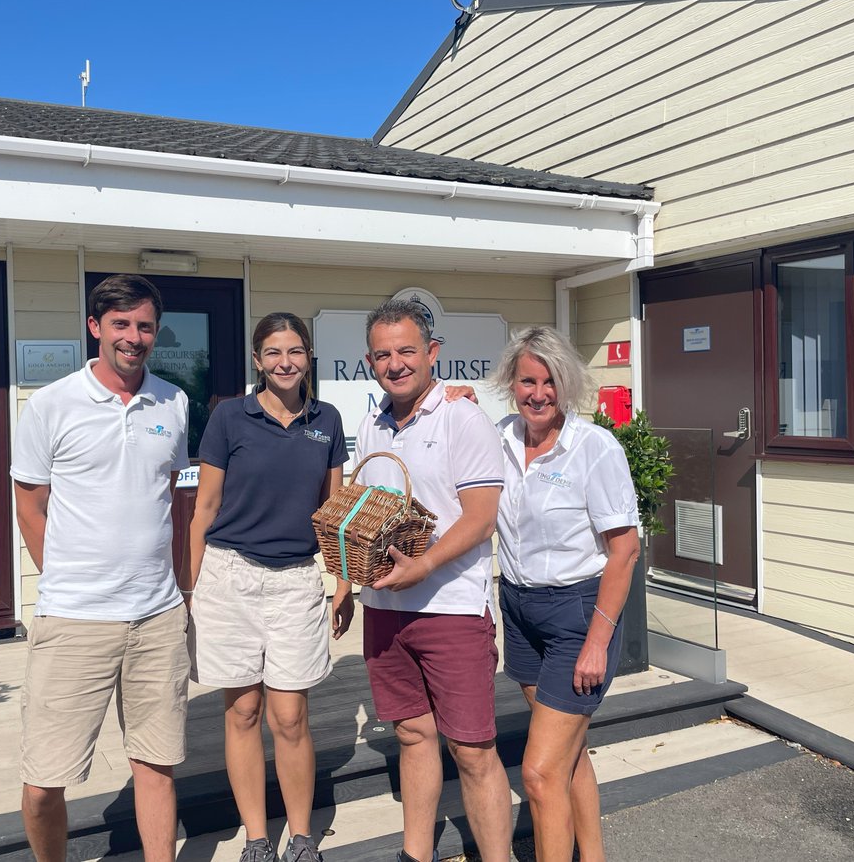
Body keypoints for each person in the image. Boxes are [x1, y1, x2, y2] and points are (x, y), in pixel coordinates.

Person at [11, 274, 190, 862]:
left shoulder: (174, 402)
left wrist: (180, 591)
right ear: (95, 327)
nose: (133, 337)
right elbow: (30, 507)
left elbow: (169, 497)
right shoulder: (50, 404)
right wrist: (65, 577)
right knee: (44, 782)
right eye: (121, 324)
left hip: (157, 617)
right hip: (74, 619)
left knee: (155, 765)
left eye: (145, 326)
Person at [183, 312, 353, 862]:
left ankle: (302, 838)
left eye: (295, 351)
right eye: (274, 352)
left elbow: (334, 513)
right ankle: (256, 839)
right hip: (229, 576)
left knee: (290, 716)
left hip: (296, 581)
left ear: (308, 358)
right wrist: (192, 592)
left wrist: (344, 581)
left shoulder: (327, 420)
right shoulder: (230, 417)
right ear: (258, 360)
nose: (285, 362)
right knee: (242, 712)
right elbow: (204, 509)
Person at [354, 299, 512, 862]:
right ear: (370, 362)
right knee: (412, 735)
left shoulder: (462, 418)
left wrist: (421, 566)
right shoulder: (371, 423)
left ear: (432, 353)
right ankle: (415, 854)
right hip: (384, 608)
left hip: (451, 609)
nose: (395, 364)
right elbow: (366, 513)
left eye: (406, 351)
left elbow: (481, 518)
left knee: (472, 750)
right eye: (383, 355)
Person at [491, 326, 640, 862]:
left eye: (550, 382)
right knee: (568, 756)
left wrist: (598, 642)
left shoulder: (593, 448)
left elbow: (624, 550)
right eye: (527, 381)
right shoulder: (500, 438)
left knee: (538, 772)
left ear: (567, 383)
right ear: (511, 384)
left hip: (577, 616)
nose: (538, 394)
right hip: (518, 609)